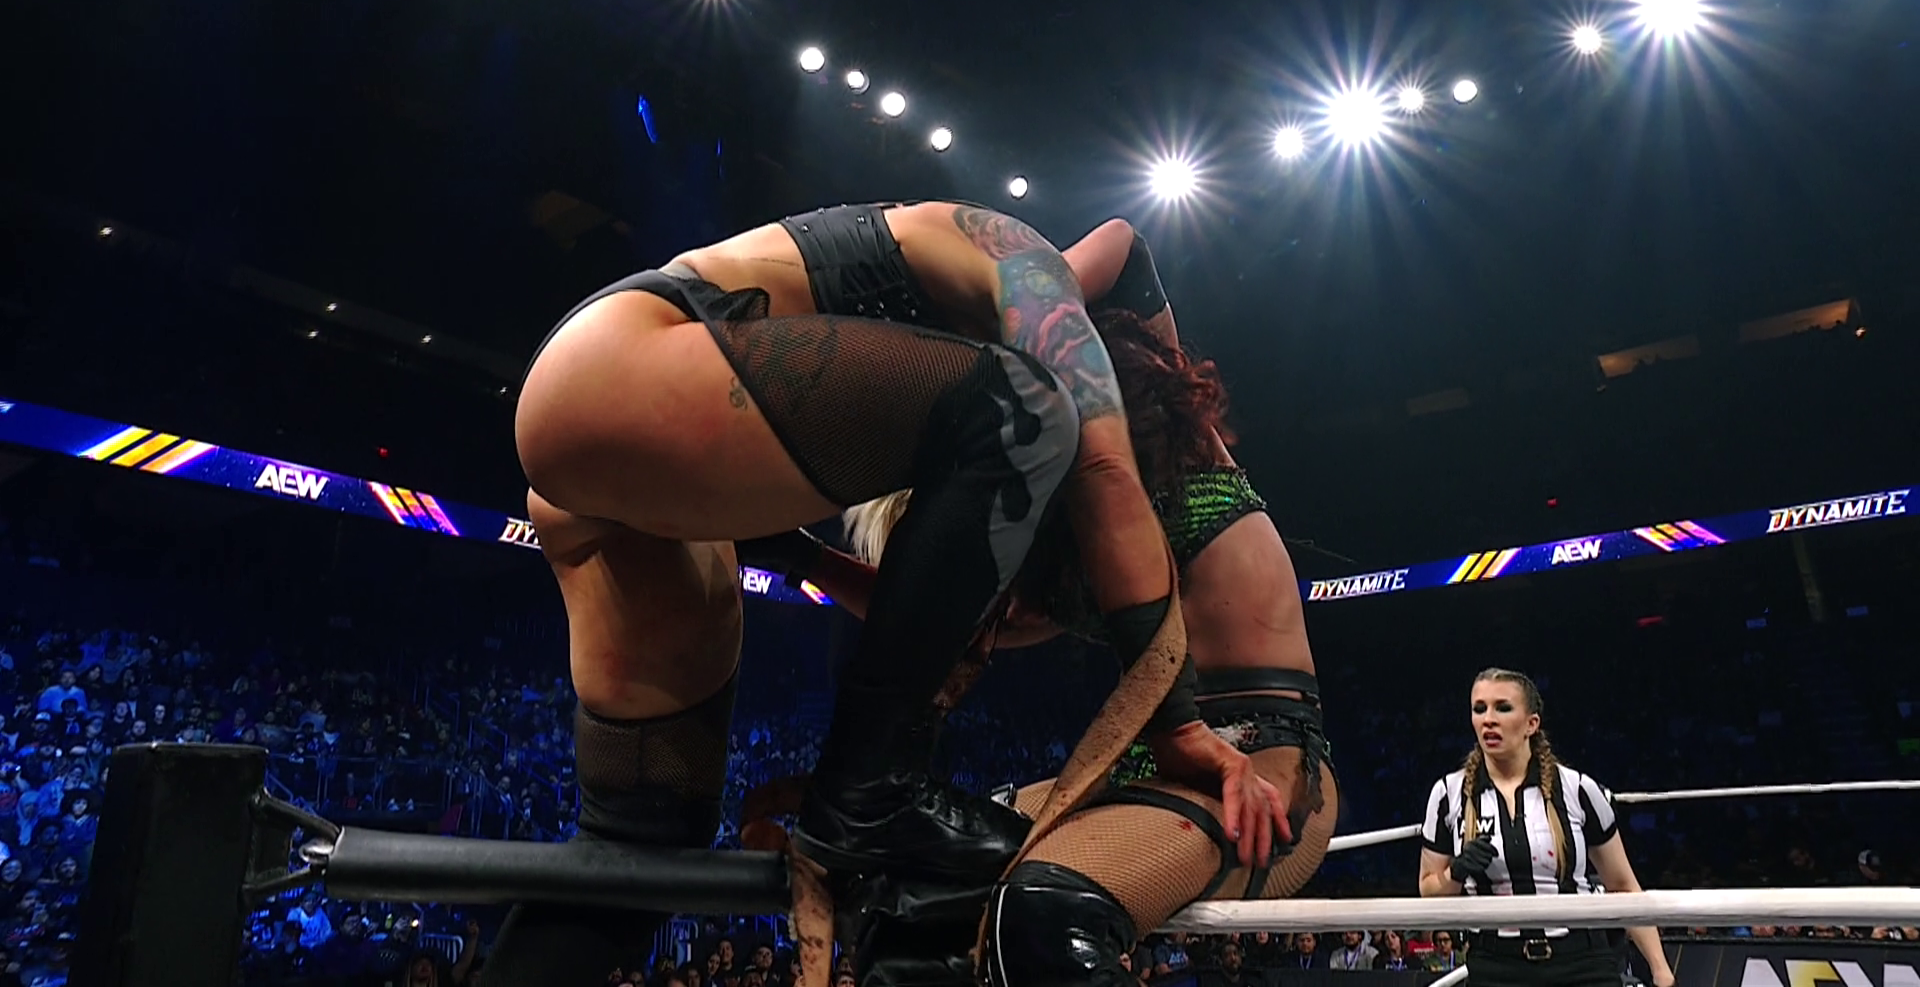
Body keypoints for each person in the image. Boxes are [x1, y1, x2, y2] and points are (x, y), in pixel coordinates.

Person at [493, 202, 1281, 982]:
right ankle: (867, 794)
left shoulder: (926, 408)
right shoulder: (1023, 264)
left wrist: (808, 558)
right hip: (625, 358)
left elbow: (958, 618)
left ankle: (857, 797)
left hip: (639, 487)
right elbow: (1121, 270)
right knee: (1030, 409)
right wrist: (1176, 722)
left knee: (642, 848)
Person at [786, 222, 1337, 987]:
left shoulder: (1170, 430)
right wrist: (796, 555)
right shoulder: (1053, 534)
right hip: (1139, 762)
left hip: (1264, 758)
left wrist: (1013, 324)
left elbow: (1125, 248)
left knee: (1047, 916)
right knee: (914, 883)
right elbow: (931, 618)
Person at [1417, 668, 1675, 987]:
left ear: (1532, 723)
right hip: (1495, 966)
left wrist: (1661, 971)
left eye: (1503, 708)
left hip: (1580, 962)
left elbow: (1623, 886)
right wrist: (1456, 872)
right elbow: (1428, 890)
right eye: (1479, 709)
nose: (1489, 720)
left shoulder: (1577, 789)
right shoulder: (1448, 794)